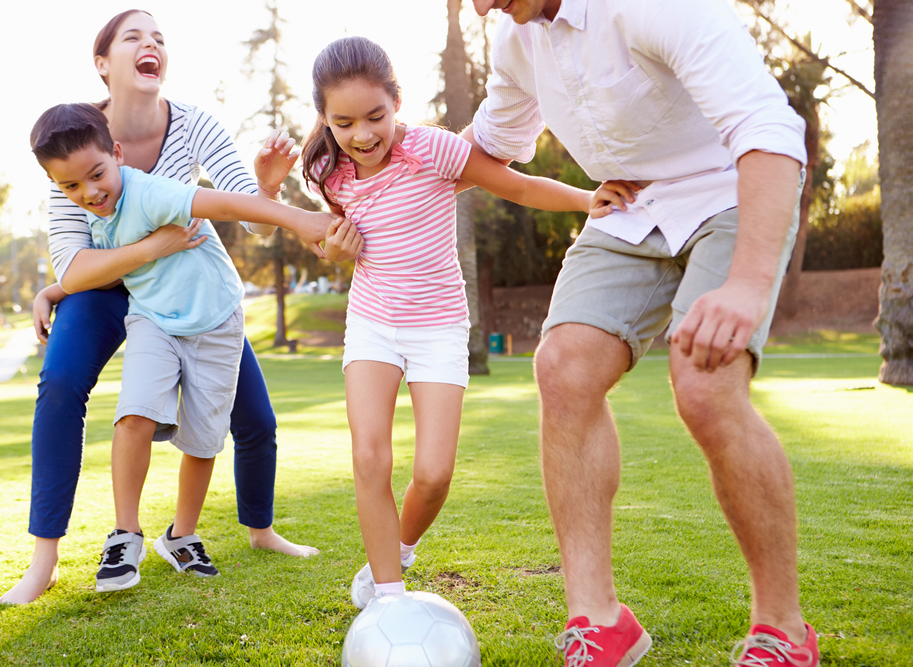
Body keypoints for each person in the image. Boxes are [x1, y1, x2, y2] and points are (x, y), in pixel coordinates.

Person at [466, 1, 818, 665]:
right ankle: (600, 622)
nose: (483, 5)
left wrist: (744, 285)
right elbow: (484, 150)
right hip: (631, 207)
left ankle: (784, 630)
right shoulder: (516, 41)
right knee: (563, 366)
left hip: (731, 186)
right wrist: (369, 164)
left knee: (706, 385)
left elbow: (769, 129)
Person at [0, 9, 343, 605]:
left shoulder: (193, 125)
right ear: (103, 64)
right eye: (133, 36)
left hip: (185, 288)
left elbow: (239, 210)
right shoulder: (72, 145)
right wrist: (107, 265)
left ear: (115, 155)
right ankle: (45, 558)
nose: (150, 44)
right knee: (60, 384)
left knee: (255, 421)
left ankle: (257, 531)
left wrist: (268, 191)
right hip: (112, 288)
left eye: (158, 37)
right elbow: (74, 263)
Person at [297, 36, 634, 609]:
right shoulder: (328, 171)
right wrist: (335, 253)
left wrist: (585, 199)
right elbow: (329, 244)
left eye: (375, 116)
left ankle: (399, 547)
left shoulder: (435, 151)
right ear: (324, 118)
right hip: (373, 321)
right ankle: (387, 595)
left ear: (396, 102)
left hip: (439, 327)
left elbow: (517, 186)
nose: (362, 135)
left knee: (433, 474)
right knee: (369, 457)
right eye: (344, 121)